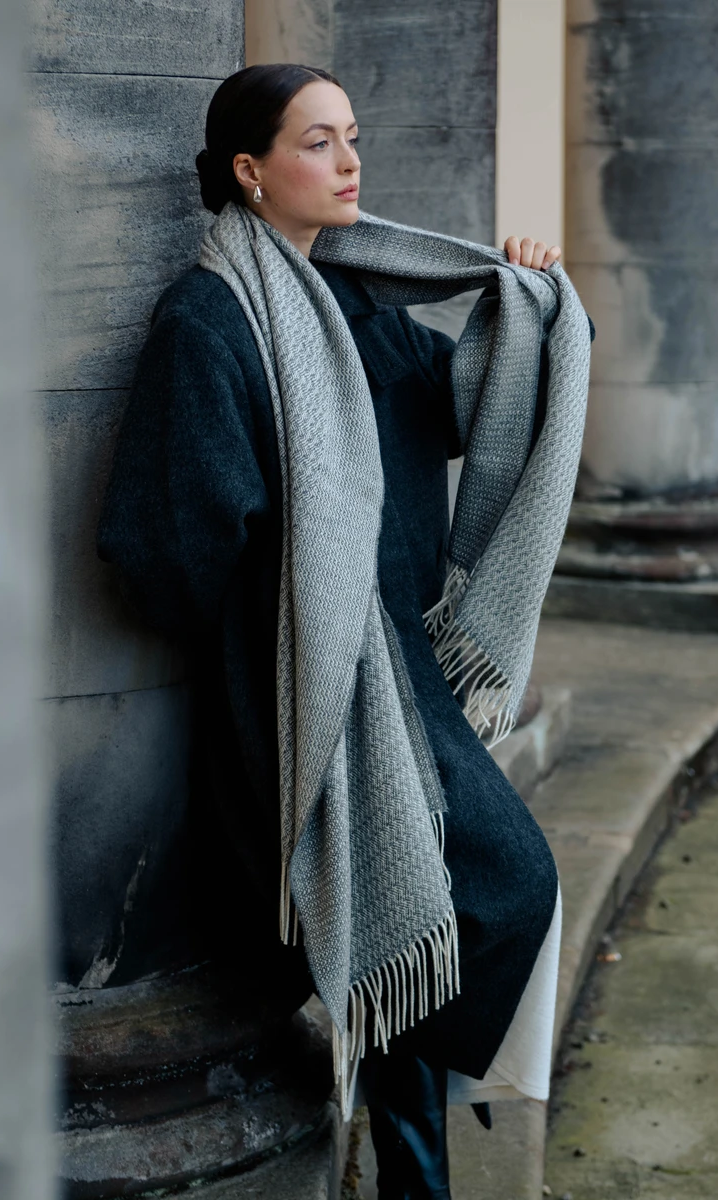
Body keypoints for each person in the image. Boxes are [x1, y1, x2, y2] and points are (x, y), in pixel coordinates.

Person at [96, 63, 593, 1200]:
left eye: (352, 137)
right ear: (249, 170)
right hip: (303, 681)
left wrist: (530, 306)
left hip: (399, 668)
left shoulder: (358, 305)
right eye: (319, 143)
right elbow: (162, 539)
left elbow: (467, 405)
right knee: (493, 883)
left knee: (471, 899)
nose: (351, 162)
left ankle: (415, 1173)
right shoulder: (208, 319)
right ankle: (415, 1172)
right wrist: (297, 609)